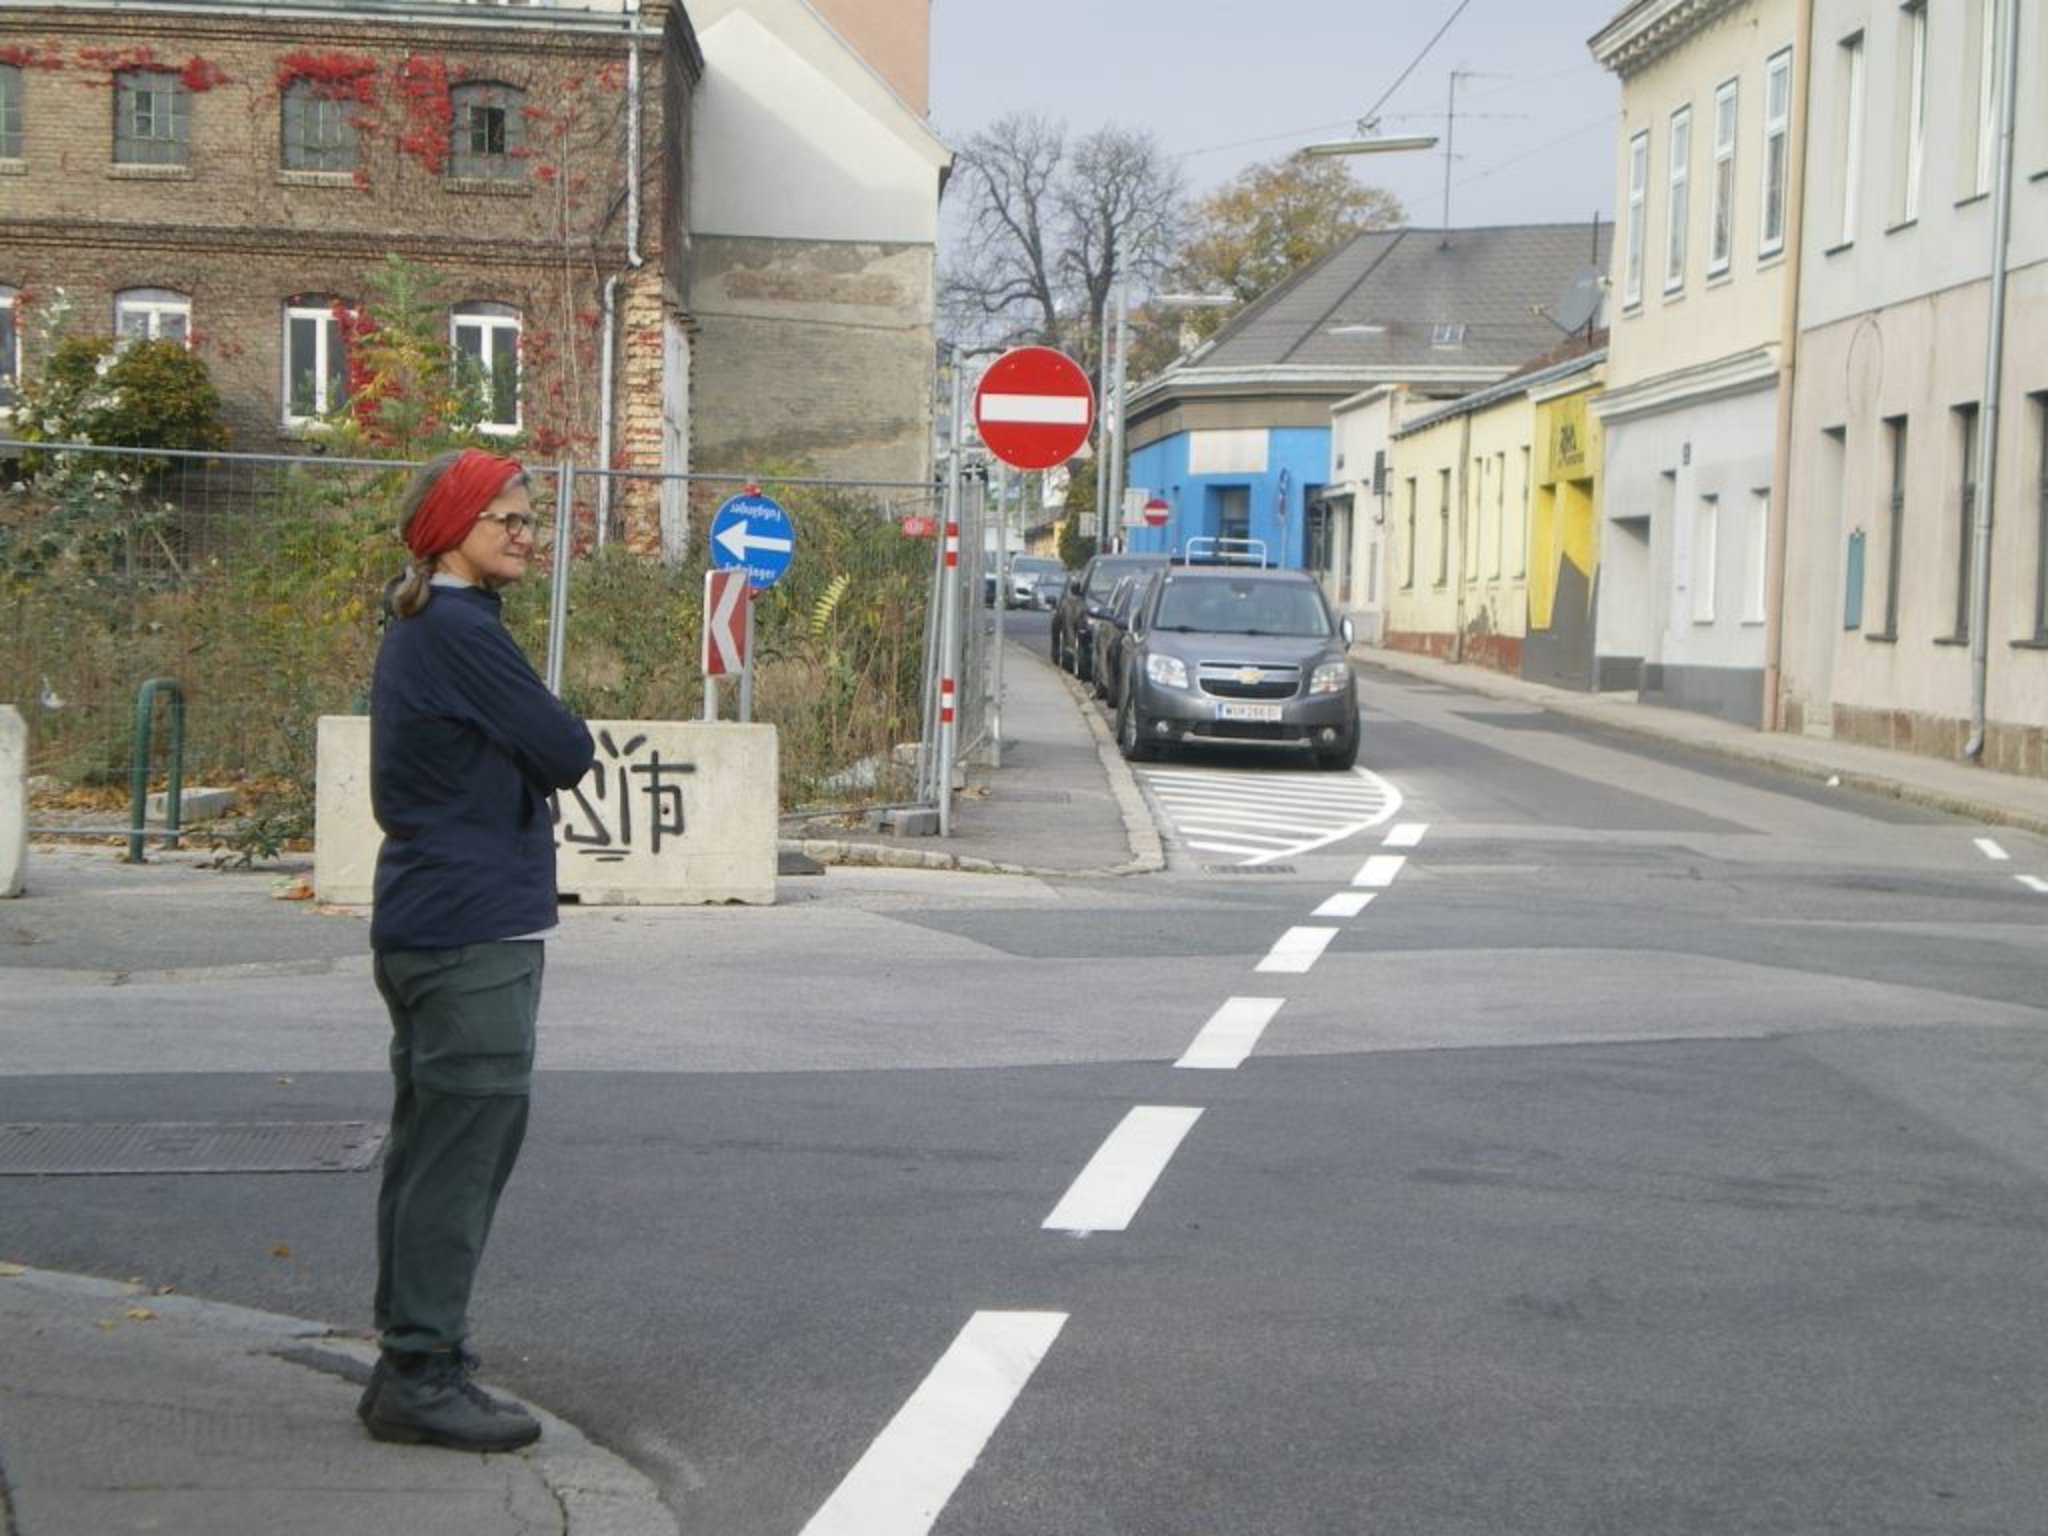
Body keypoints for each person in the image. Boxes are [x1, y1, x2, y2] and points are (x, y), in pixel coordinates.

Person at [355, 447, 595, 1452]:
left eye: (530, 518)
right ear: (450, 524)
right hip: (469, 931)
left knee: (429, 1151)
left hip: (432, 919)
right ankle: (420, 1368)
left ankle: (412, 1359)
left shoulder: (433, 624)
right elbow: (566, 749)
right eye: (504, 515)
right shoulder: (456, 628)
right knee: (458, 1160)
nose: (524, 532)